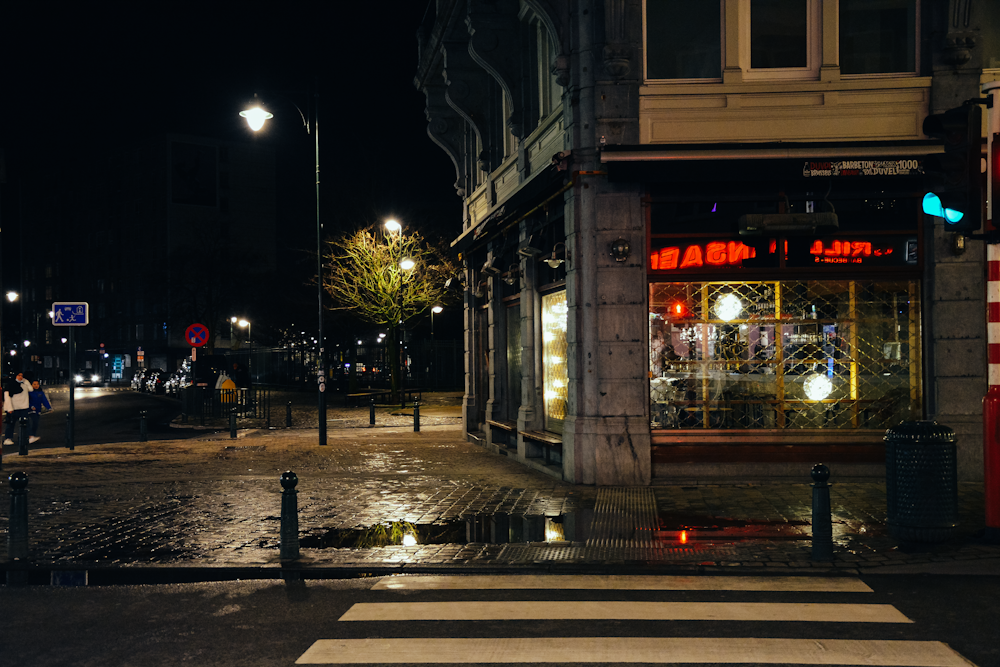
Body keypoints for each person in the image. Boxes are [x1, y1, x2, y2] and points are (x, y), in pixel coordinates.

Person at [3, 372, 34, 445]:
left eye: (22, 376)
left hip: (23, 407)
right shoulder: (10, 385)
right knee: (11, 424)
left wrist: (26, 381)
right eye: (19, 375)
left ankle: (29, 437)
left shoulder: (24, 384)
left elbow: (31, 389)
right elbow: (7, 398)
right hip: (14, 408)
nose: (20, 377)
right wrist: (10, 408)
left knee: (26, 423)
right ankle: (8, 438)